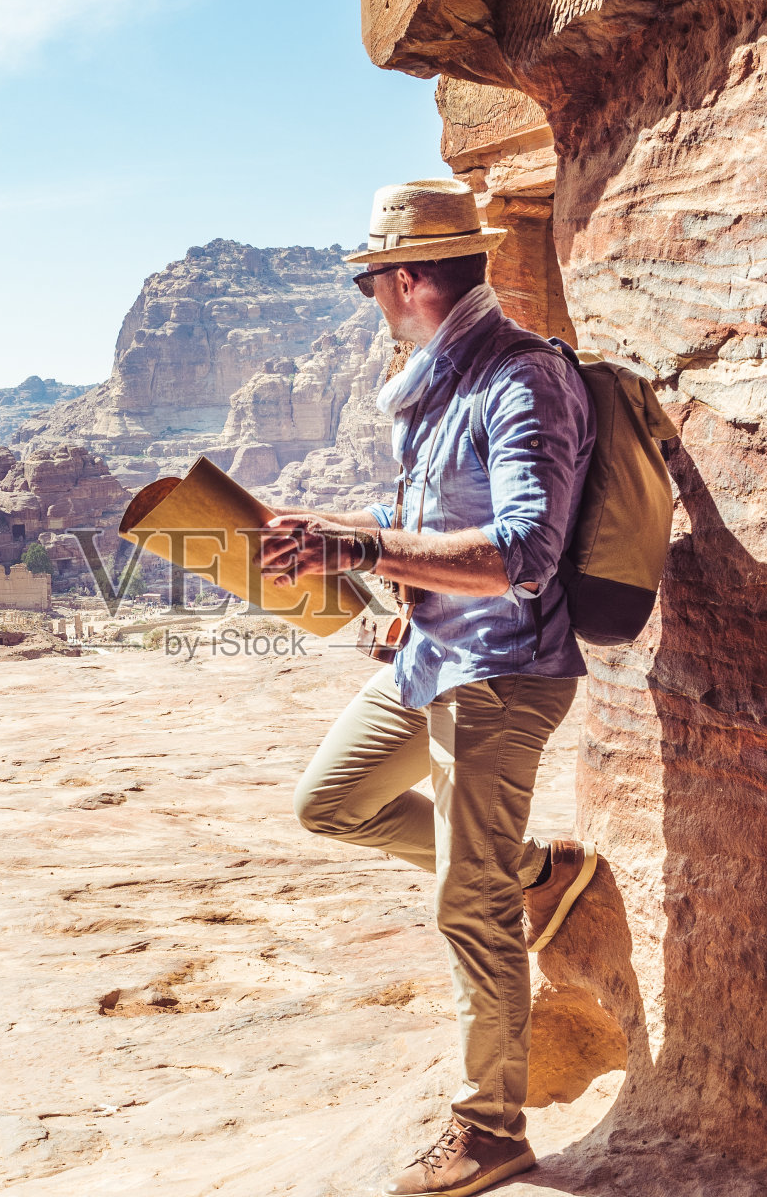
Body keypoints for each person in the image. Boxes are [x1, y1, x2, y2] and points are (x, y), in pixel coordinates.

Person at [258, 178, 599, 1197]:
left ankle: (491, 1131)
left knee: (465, 903)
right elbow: (435, 513)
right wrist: (344, 560)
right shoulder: (437, 383)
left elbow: (524, 551)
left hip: (500, 671)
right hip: (432, 655)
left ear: (403, 280)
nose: (371, 303)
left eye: (372, 284)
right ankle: (537, 873)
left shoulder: (518, 379)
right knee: (331, 802)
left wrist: (358, 541)